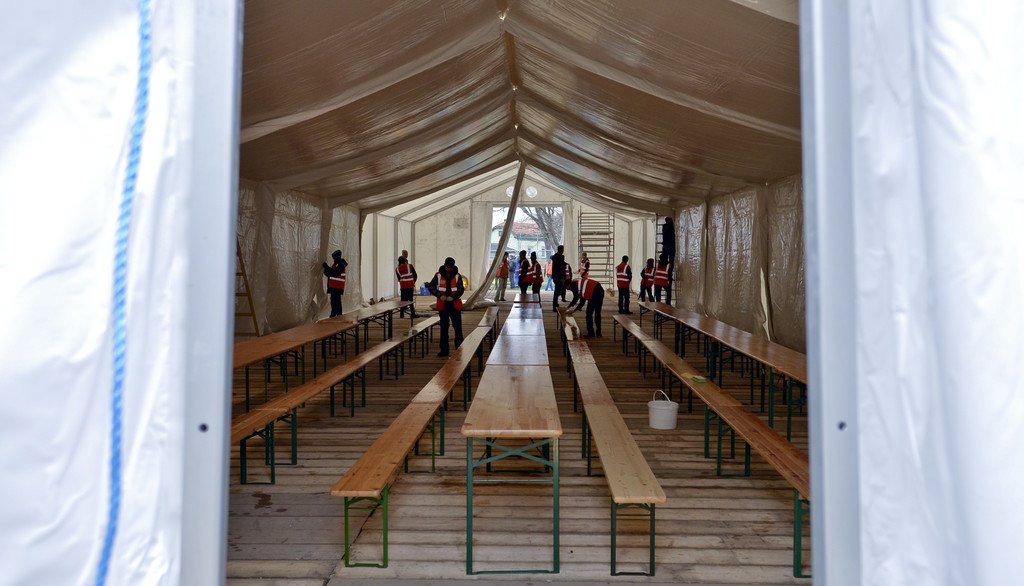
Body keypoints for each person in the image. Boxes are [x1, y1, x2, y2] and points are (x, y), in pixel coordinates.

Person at [429, 257, 465, 357]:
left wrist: (453, 297)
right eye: (447, 267)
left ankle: (459, 349)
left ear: (453, 267)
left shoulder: (458, 276)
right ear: (444, 265)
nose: (448, 269)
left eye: (450, 267)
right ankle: (444, 350)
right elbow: (431, 287)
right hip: (443, 305)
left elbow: (461, 289)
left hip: (454, 306)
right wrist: (440, 296)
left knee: (458, 328)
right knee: (444, 328)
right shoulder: (438, 275)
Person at [322, 250, 347, 317]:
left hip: (337, 286)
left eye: (334, 257)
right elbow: (330, 274)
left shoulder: (341, 265)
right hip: (333, 286)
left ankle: (337, 315)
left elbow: (335, 273)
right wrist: (326, 270)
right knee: (334, 301)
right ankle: (335, 315)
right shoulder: (335, 264)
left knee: (336, 301)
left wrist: (326, 267)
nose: (333, 258)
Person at [551, 245, 568, 310]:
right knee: (557, 291)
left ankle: (555, 304)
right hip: (559, 277)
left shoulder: (554, 257)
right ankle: (555, 305)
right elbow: (561, 268)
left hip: (555, 277)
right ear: (561, 250)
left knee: (557, 291)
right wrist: (563, 278)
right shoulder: (561, 257)